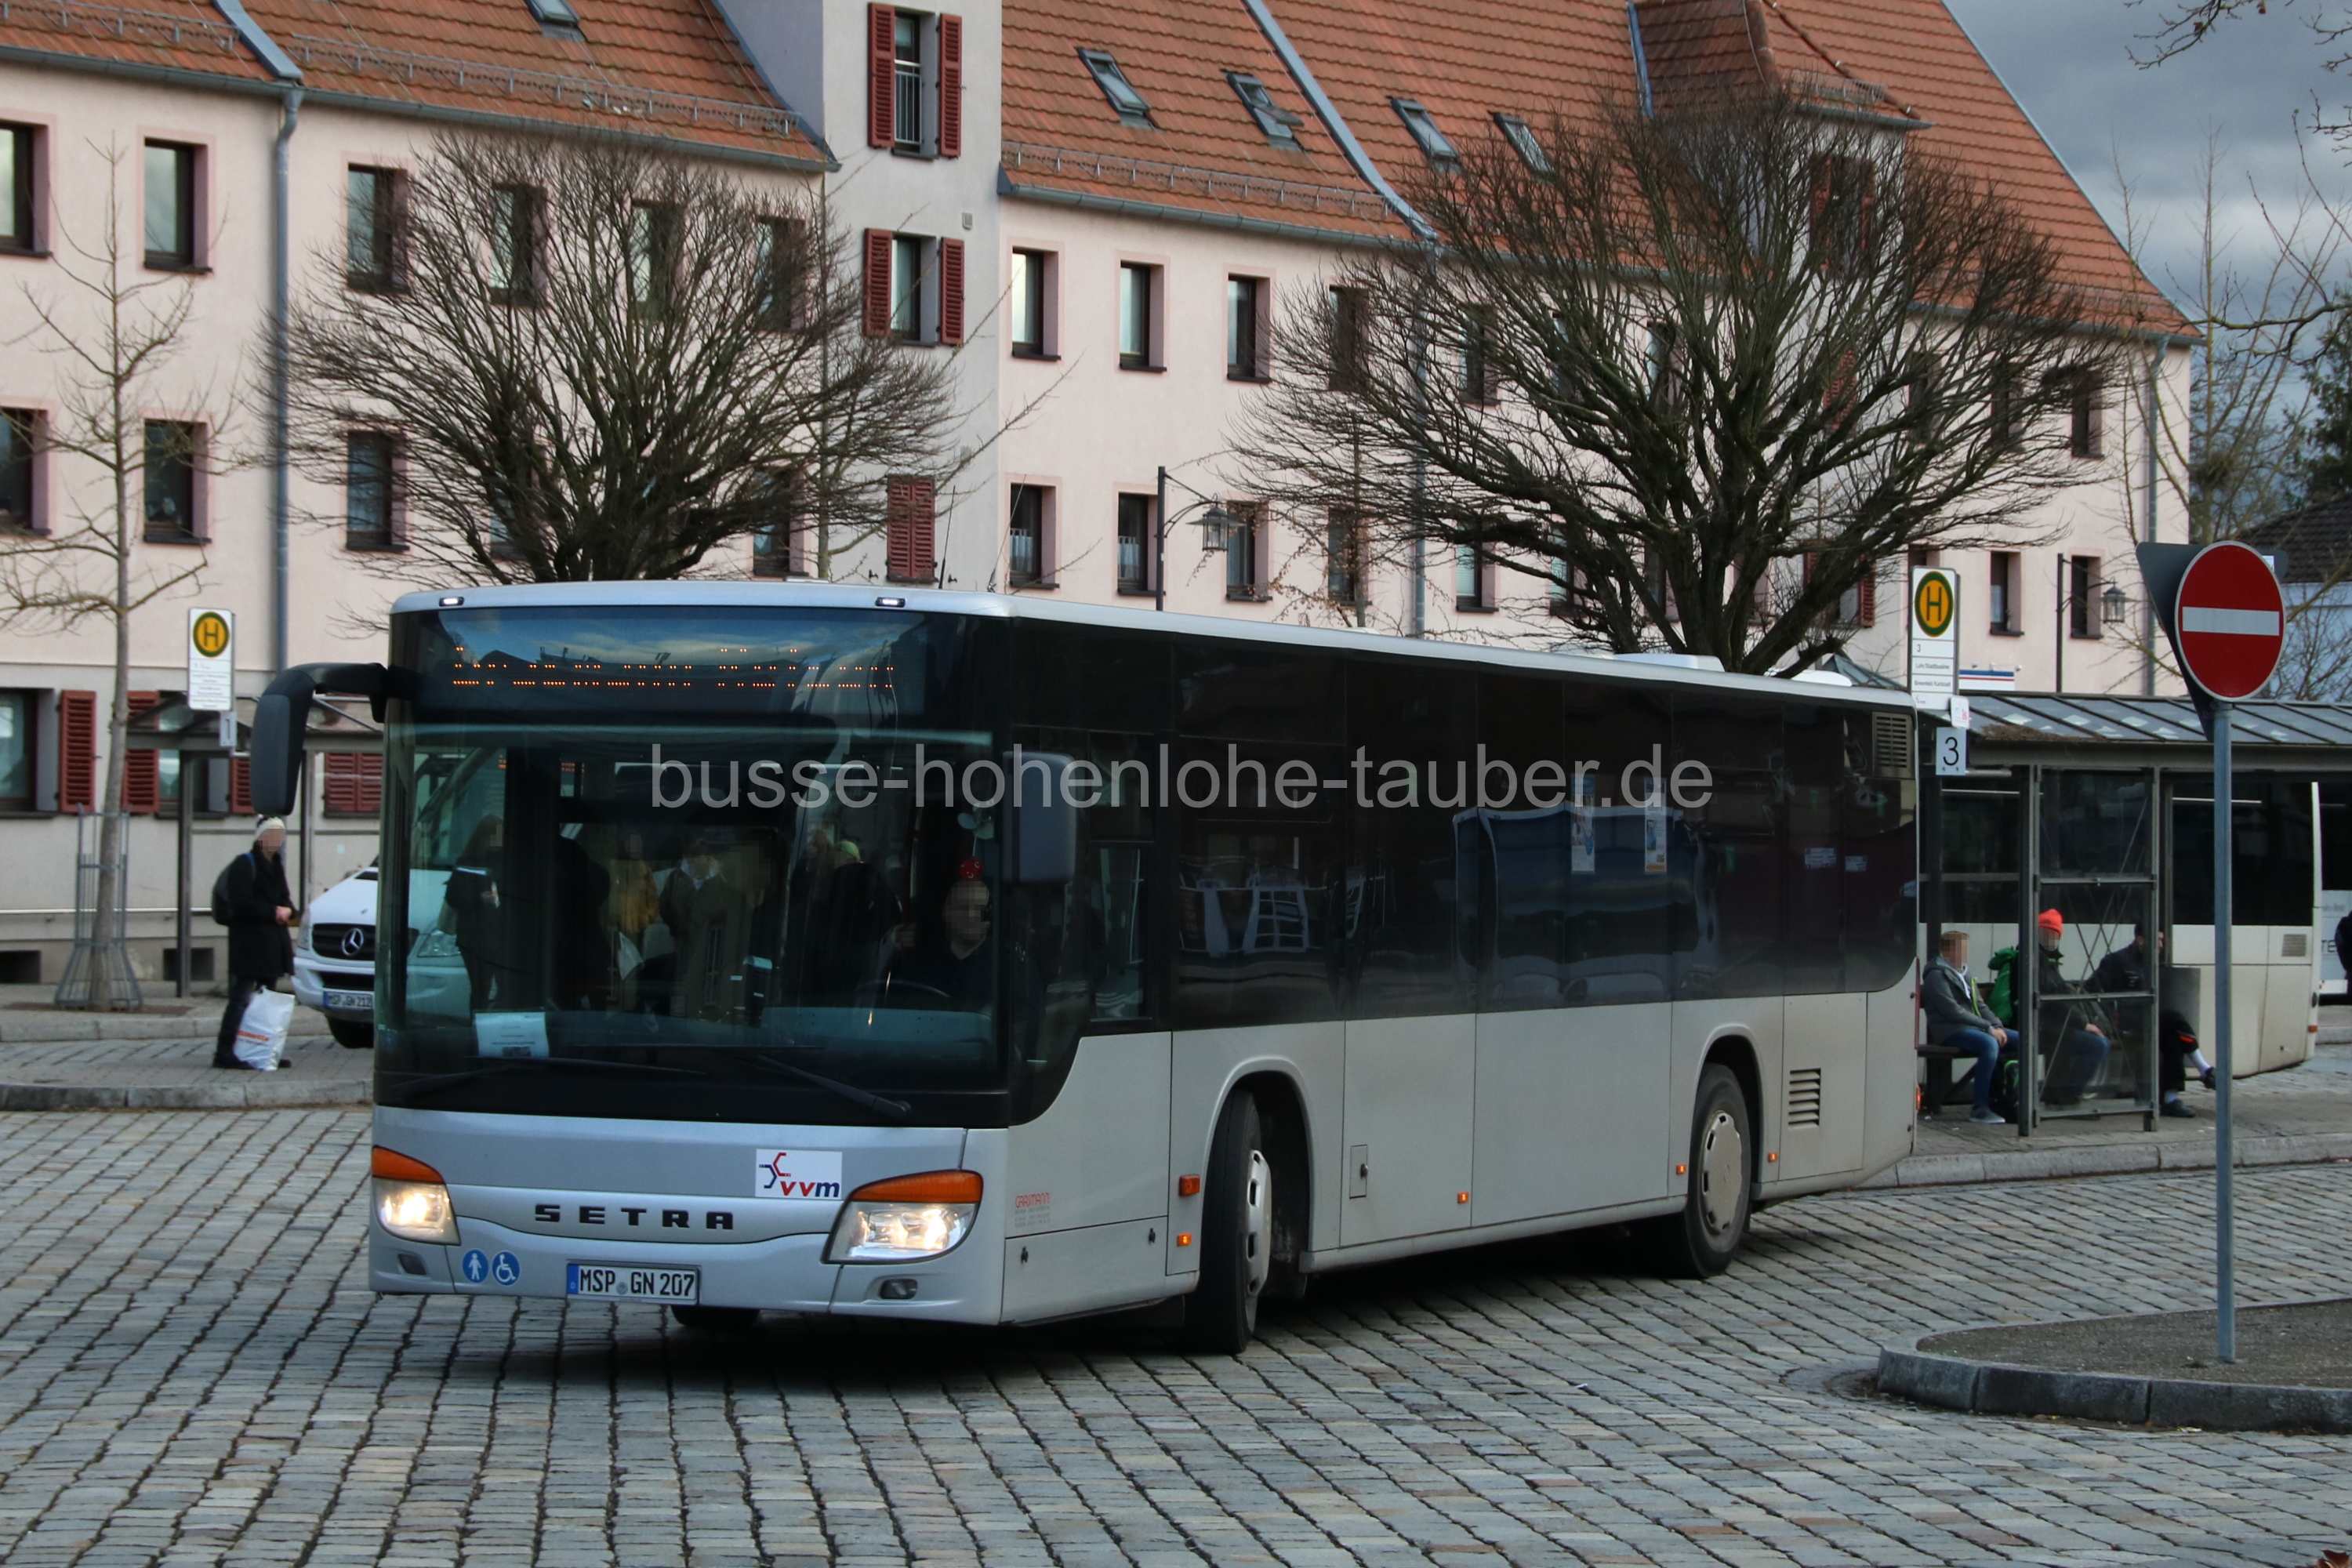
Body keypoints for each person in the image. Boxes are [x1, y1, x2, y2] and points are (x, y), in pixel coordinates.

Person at [2089, 924, 2201, 1118]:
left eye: (2162, 941)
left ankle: (2170, 1099)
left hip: (2146, 1019)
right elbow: (2093, 989)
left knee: (2172, 1036)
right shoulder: (2116, 961)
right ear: (2140, 939)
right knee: (2174, 1018)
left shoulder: (2150, 963)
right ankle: (2203, 1068)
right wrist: (2109, 1017)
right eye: (2157, 941)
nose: (2161, 946)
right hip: (2125, 1020)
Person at [214, 818, 296, 1069]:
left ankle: (262, 1049)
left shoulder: (276, 865)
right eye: (272, 834)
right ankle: (225, 1051)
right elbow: (241, 903)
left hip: (272, 944)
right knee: (241, 998)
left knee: (267, 999)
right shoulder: (245, 863)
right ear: (260, 837)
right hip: (249, 942)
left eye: (280, 835)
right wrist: (273, 912)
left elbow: (285, 899)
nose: (276, 840)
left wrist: (288, 911)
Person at [1921, 929, 2015, 1124]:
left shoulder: (1964, 972)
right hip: (1950, 1031)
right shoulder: (1936, 976)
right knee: (1989, 1044)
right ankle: (1980, 1108)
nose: (1965, 954)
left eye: (1966, 949)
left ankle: (2009, 1098)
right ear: (1946, 951)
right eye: (1960, 949)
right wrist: (1988, 1028)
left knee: (2021, 1040)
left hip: (1973, 1028)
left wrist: (1997, 1025)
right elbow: (1952, 1012)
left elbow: (1980, 1005)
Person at [2034, 910, 2112, 1106]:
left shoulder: (2045, 960)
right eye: (2046, 933)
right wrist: (2084, 1024)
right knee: (2099, 1045)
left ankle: (2057, 1093)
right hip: (2043, 1028)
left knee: (2087, 1042)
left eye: (2054, 934)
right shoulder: (2037, 962)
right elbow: (2055, 1001)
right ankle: (2069, 1093)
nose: (2050, 938)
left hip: (2049, 1026)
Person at [887, 869, 993, 1008]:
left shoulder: (1003, 966)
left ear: (986, 918)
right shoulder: (922, 964)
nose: (957, 914)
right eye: (954, 905)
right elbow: (889, 1001)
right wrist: (890, 947)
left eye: (969, 907)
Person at [441, 815, 505, 1011]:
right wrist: (479, 899)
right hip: (474, 937)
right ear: (485, 838)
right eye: (496, 835)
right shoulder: (467, 862)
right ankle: (478, 1022)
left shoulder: (506, 860)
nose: (500, 840)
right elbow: (453, 896)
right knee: (480, 987)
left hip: (498, 935)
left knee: (503, 986)